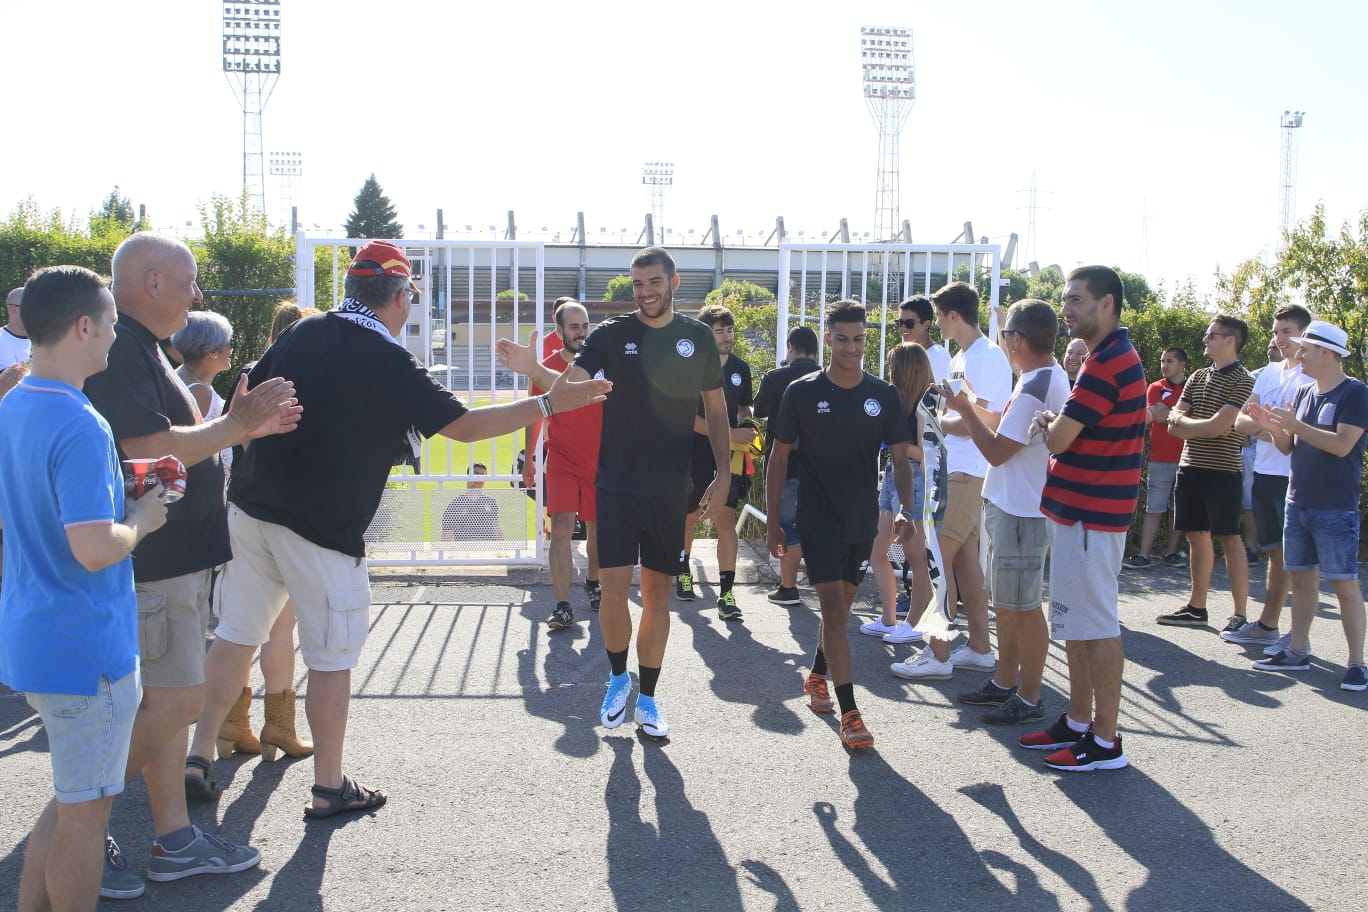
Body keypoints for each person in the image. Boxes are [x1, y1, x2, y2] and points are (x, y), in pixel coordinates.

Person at [194, 240, 608, 820]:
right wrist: (547, 406)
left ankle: (196, 755)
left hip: (253, 505)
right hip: (319, 523)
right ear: (398, 296)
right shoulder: (382, 354)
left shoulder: (302, 332)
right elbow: (463, 426)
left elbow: (245, 399)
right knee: (332, 657)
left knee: (236, 634)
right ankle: (329, 785)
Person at [84, 232, 300, 894]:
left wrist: (239, 426)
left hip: (170, 560)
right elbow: (149, 447)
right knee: (176, 702)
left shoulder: (142, 348)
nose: (197, 294)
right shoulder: (122, 349)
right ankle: (76, 824)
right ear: (151, 283)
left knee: (168, 704)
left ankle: (172, 836)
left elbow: (169, 445)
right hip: (154, 562)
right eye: (188, 281)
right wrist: (236, 427)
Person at [499, 246, 730, 739]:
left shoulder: (697, 339)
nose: (645, 292)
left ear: (674, 282)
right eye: (638, 284)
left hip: (670, 487)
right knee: (614, 591)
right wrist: (531, 369)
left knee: (657, 596)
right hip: (617, 485)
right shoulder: (610, 335)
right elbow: (569, 388)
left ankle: (647, 698)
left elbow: (714, 412)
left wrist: (725, 471)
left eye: (654, 282)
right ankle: (618, 679)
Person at [0, 266, 169, 910]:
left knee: (73, 803)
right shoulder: (80, 422)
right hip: (83, 646)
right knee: (84, 819)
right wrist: (141, 519)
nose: (115, 333)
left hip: (36, 633)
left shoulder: (16, 401)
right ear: (82, 326)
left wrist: (112, 500)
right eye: (111, 321)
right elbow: (95, 548)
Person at [767, 301, 914, 749]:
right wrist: (775, 523)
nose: (853, 347)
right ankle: (851, 714)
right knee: (833, 609)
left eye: (860, 339)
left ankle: (815, 675)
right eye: (843, 339)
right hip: (816, 518)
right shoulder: (802, 392)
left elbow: (902, 459)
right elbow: (778, 458)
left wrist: (906, 509)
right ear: (828, 339)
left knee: (841, 611)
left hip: (862, 520)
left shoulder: (884, 396)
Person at [185, 301, 320, 786]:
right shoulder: (304, 381)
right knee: (280, 629)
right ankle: (278, 726)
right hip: (292, 513)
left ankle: (217, 734)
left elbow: (232, 443)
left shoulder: (249, 377)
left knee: (237, 629)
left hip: (243, 506)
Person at [918, 301, 1069, 729]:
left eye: (1006, 337)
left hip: (1021, 511)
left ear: (1017, 340)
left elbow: (998, 452)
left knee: (1022, 609)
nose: (1003, 344)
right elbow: (1005, 426)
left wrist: (963, 409)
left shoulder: (1036, 385)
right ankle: (1006, 683)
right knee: (1010, 604)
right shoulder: (1043, 378)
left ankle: (1029, 694)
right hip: (1017, 507)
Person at [1032, 265, 1146, 771]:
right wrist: (1058, 425)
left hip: (1091, 516)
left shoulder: (1107, 361)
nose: (1067, 308)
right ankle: (1079, 722)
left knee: (1097, 627)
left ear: (1107, 304)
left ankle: (1105, 742)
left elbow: (1059, 439)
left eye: (1076, 299)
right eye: (1065, 299)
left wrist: (1050, 422)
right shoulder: (1107, 356)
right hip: (1082, 513)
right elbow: (1071, 432)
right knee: (1077, 624)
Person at [1248, 320, 1368, 691]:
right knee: (1300, 581)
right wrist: (1272, 427)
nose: (1298, 355)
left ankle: (1357, 663)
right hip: (1296, 502)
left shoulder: (1356, 394)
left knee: (1345, 586)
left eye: (1305, 349)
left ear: (1327, 353)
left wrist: (1294, 427)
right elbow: (1288, 448)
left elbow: (1342, 445)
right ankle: (1297, 650)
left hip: (1336, 507)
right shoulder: (1304, 394)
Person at [921, 281, 1012, 675]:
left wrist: (937, 421)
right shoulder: (966, 355)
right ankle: (978, 647)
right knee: (963, 566)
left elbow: (991, 419)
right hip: (958, 468)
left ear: (953, 315)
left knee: (936, 559)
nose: (937, 324)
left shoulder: (987, 357)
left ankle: (937, 655)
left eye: (939, 316)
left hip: (969, 470)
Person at [1156, 315, 1254, 629]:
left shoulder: (1245, 381)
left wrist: (1190, 425)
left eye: (1211, 335)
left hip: (1223, 471)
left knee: (1229, 538)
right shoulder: (1197, 376)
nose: (1205, 340)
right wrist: (1197, 425)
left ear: (1230, 339)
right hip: (1189, 469)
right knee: (1196, 537)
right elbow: (1173, 422)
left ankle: (1239, 613)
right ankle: (1197, 608)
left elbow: (1219, 428)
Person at [1224, 306, 1312, 650]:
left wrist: (1267, 426)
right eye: (1276, 332)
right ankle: (1269, 626)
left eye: (1287, 331)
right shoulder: (1269, 373)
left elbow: (1297, 438)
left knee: (1300, 559)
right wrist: (1270, 427)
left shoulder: (1311, 378)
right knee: (1276, 554)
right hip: (1264, 473)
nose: (1280, 338)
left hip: (1295, 478)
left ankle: (1295, 633)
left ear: (1304, 334)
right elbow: (1240, 422)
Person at [523, 298, 603, 629]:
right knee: (560, 529)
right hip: (561, 460)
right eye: (574, 327)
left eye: (585, 326)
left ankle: (594, 582)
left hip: (599, 460)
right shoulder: (545, 368)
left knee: (598, 531)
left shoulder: (602, 364)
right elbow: (533, 414)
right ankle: (562, 604)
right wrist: (529, 457)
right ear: (559, 331)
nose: (582, 333)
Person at [678, 303, 755, 621]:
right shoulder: (691, 367)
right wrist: (726, 431)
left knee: (725, 521)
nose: (726, 336)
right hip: (693, 456)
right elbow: (686, 417)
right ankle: (683, 572)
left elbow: (745, 410)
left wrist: (748, 429)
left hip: (730, 459)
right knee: (690, 518)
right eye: (719, 330)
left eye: (729, 329)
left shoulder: (741, 368)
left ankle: (726, 592)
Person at [860, 344, 933, 645]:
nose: (889, 371)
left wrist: (896, 443)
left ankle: (915, 623)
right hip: (893, 473)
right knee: (878, 552)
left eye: (892, 365)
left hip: (913, 476)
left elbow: (925, 452)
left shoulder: (925, 405)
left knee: (916, 558)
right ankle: (890, 619)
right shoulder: (896, 401)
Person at [752, 325, 820, 606]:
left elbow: (759, 410)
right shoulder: (826, 378)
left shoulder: (775, 378)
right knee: (817, 526)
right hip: (819, 465)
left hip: (785, 465)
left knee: (790, 527)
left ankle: (789, 587)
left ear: (790, 347)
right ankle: (823, 583)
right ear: (815, 351)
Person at [1123, 347, 1189, 569]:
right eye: (1162, 361)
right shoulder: (1155, 387)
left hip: (1186, 458)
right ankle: (1144, 555)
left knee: (1179, 509)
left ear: (1182, 365)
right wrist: (1178, 415)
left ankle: (1171, 552)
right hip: (1159, 458)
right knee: (1154, 507)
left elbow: (1167, 414)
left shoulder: (1193, 387)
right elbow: (1153, 414)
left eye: (1169, 361)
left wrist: (1169, 413)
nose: (1164, 365)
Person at [171, 310, 235, 474]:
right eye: (227, 344)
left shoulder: (177, 376)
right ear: (211, 352)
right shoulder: (199, 392)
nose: (231, 350)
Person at [441, 463, 502, 541]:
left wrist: (503, 550)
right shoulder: (456, 504)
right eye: (476, 474)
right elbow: (447, 533)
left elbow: (496, 528)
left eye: (482, 476)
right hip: (465, 550)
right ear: (467, 477)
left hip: (487, 549)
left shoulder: (490, 502)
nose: (478, 478)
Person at [0, 288, 31, 401]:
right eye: (31, 307)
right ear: (13, 309)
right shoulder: (1, 340)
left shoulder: (42, 340)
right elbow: (12, 386)